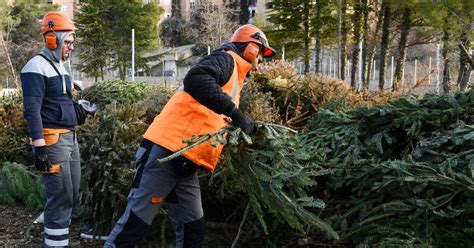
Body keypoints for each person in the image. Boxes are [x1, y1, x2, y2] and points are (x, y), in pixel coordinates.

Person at [105, 24, 276, 247]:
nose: (260, 61)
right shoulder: (226, 60)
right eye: (261, 54)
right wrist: (235, 113)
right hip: (165, 153)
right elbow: (196, 79)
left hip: (186, 162)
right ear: (251, 48)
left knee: (193, 227)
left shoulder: (236, 75)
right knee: (135, 224)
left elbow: (211, 114)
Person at [21, 11, 80, 247]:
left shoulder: (60, 66)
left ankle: (57, 238)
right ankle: (54, 243)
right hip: (52, 142)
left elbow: (60, 103)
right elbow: (32, 110)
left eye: (73, 42)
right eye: (67, 42)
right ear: (52, 40)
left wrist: (79, 112)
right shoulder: (35, 67)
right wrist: (39, 148)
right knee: (60, 196)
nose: (71, 47)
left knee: (72, 194)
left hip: (70, 139)